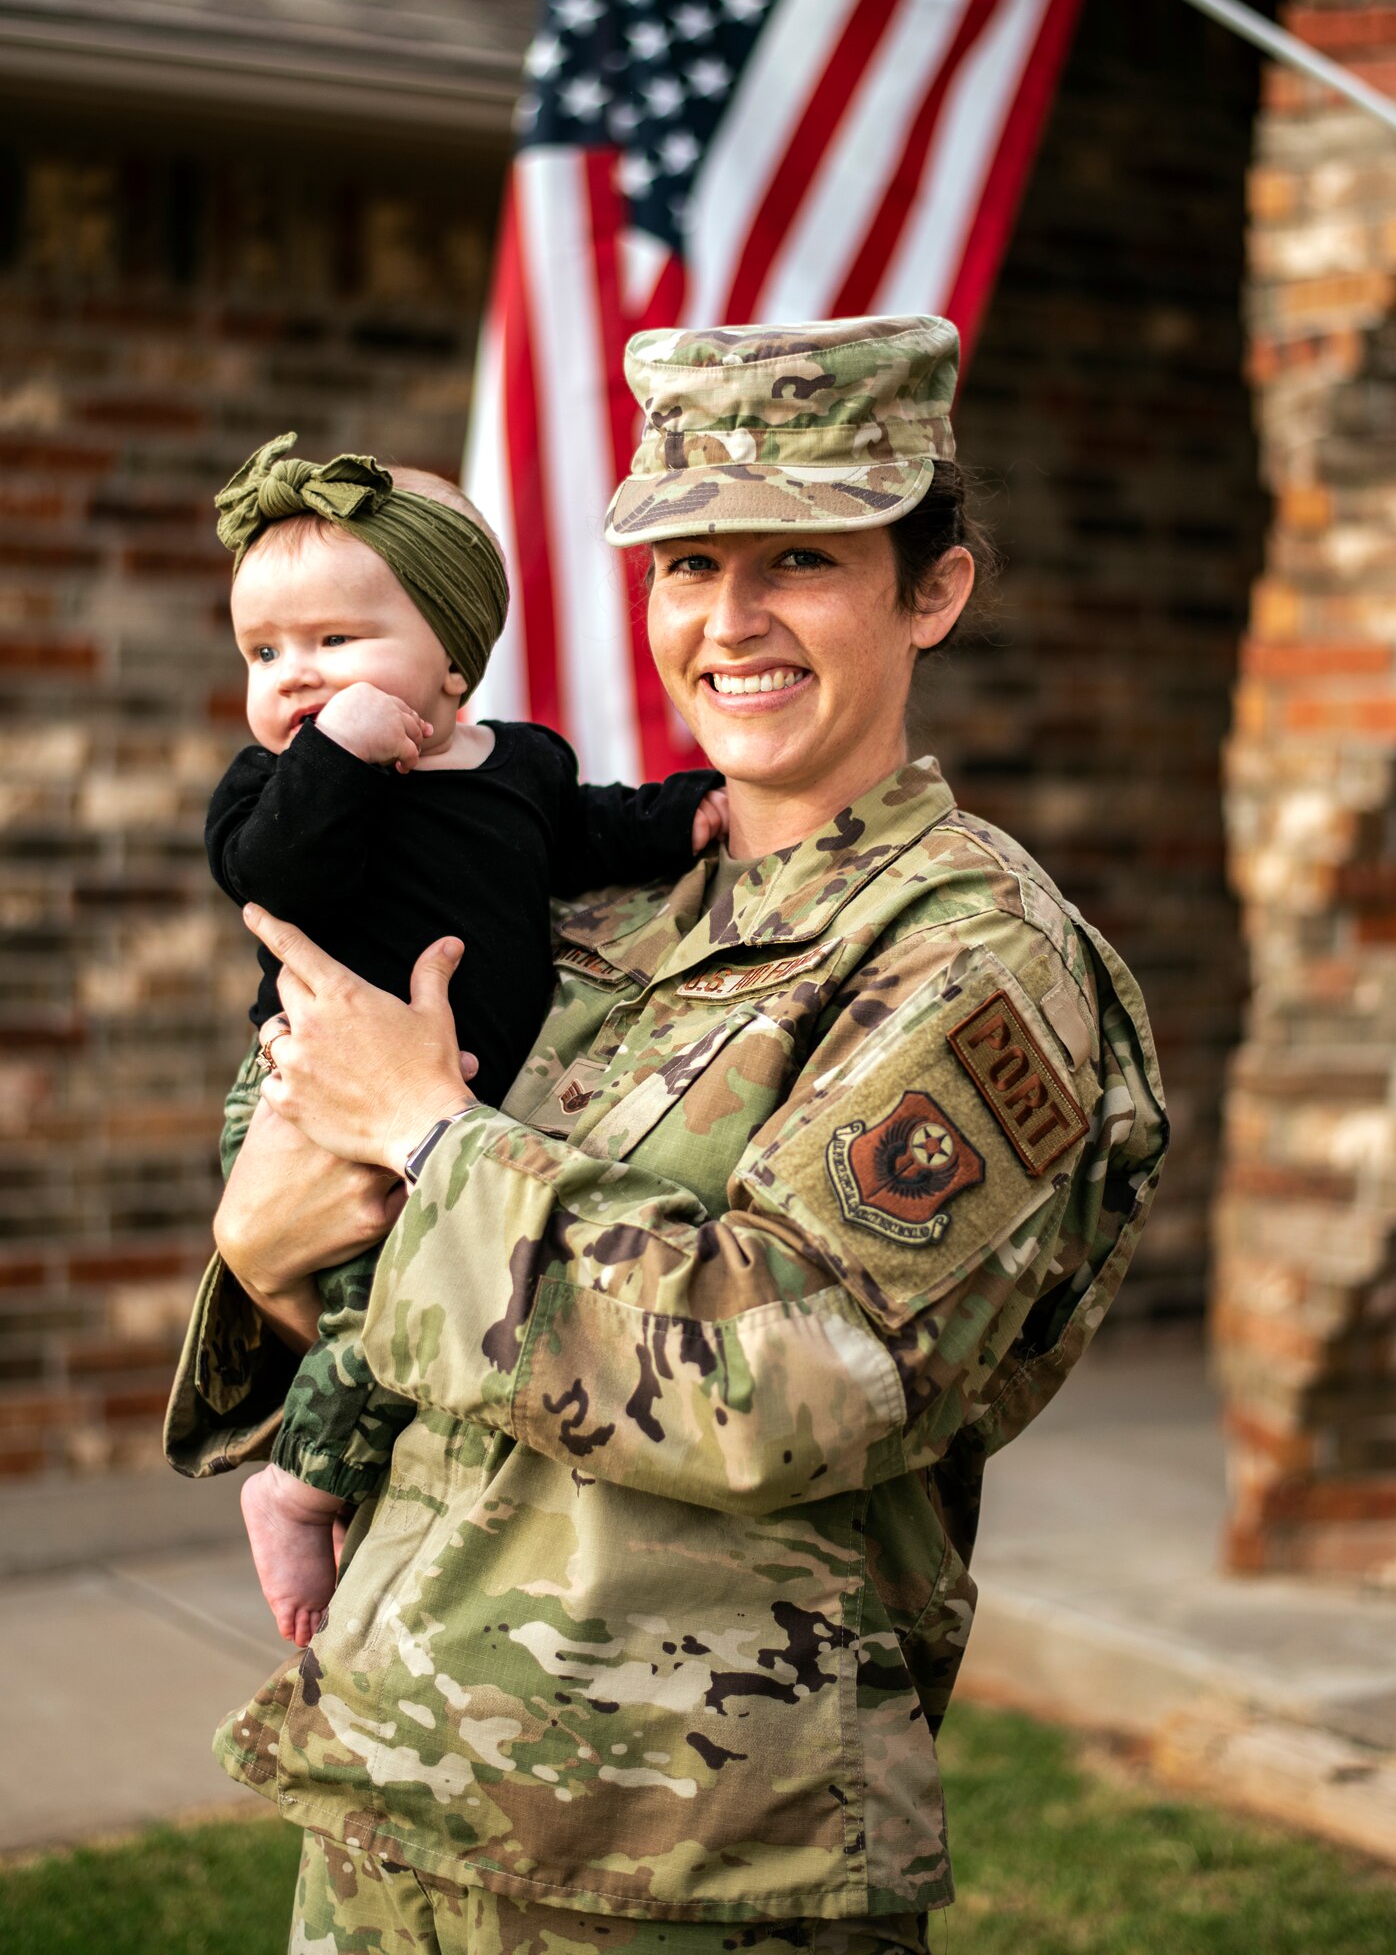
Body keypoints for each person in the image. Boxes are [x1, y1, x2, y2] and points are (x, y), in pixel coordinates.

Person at [165, 313, 1168, 1954]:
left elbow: (787, 1380)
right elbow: (288, 1219)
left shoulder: (967, 961)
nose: (730, 619)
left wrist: (431, 1150)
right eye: (686, 564)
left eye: (799, 558)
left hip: (686, 1869)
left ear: (932, 591)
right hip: (395, 1801)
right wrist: (268, 1251)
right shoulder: (586, 897)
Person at [196, 431, 723, 1646]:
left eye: (335, 643)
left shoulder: (522, 765)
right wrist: (335, 755)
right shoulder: (272, 786)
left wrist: (683, 813)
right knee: (371, 1300)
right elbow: (270, 871)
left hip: (454, 1120)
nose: (294, 677)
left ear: (452, 656)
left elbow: (585, 833)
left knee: (425, 1307)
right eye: (264, 653)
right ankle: (297, 1483)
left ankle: (314, 1481)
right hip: (306, 1094)